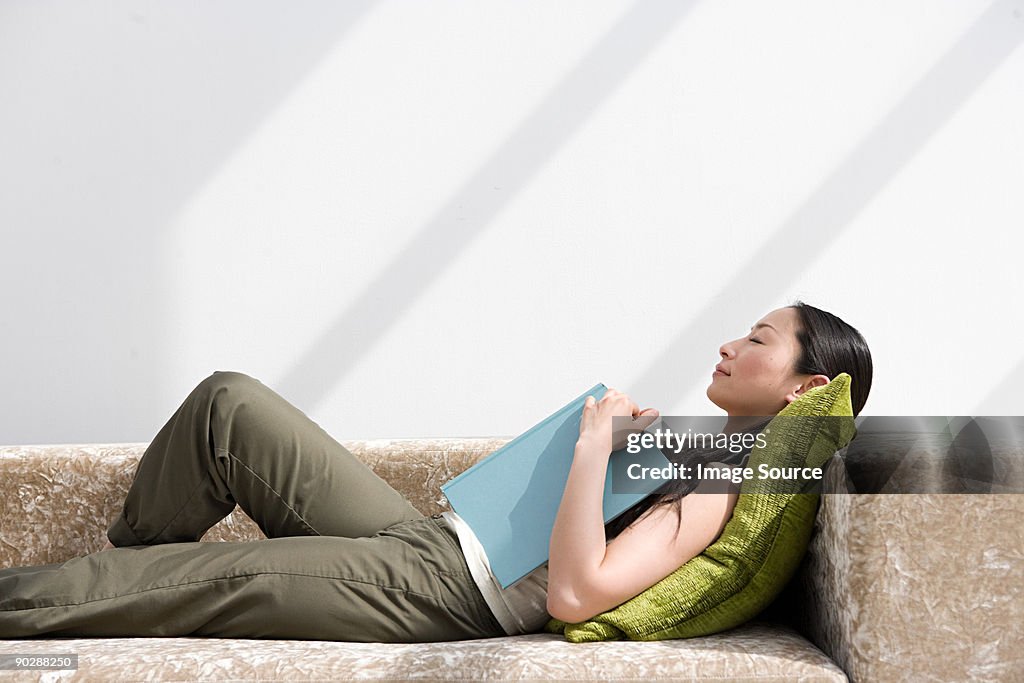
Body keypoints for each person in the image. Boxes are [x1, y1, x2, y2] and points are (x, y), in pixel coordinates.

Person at [0, 300, 872, 642]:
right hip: (433, 541)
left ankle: (82, 593)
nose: (728, 343)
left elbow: (577, 591)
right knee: (229, 408)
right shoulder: (691, 445)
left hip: (445, 591)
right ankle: (92, 601)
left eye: (757, 339)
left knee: (190, 577)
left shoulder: (723, 474)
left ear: (806, 384)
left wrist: (591, 448)